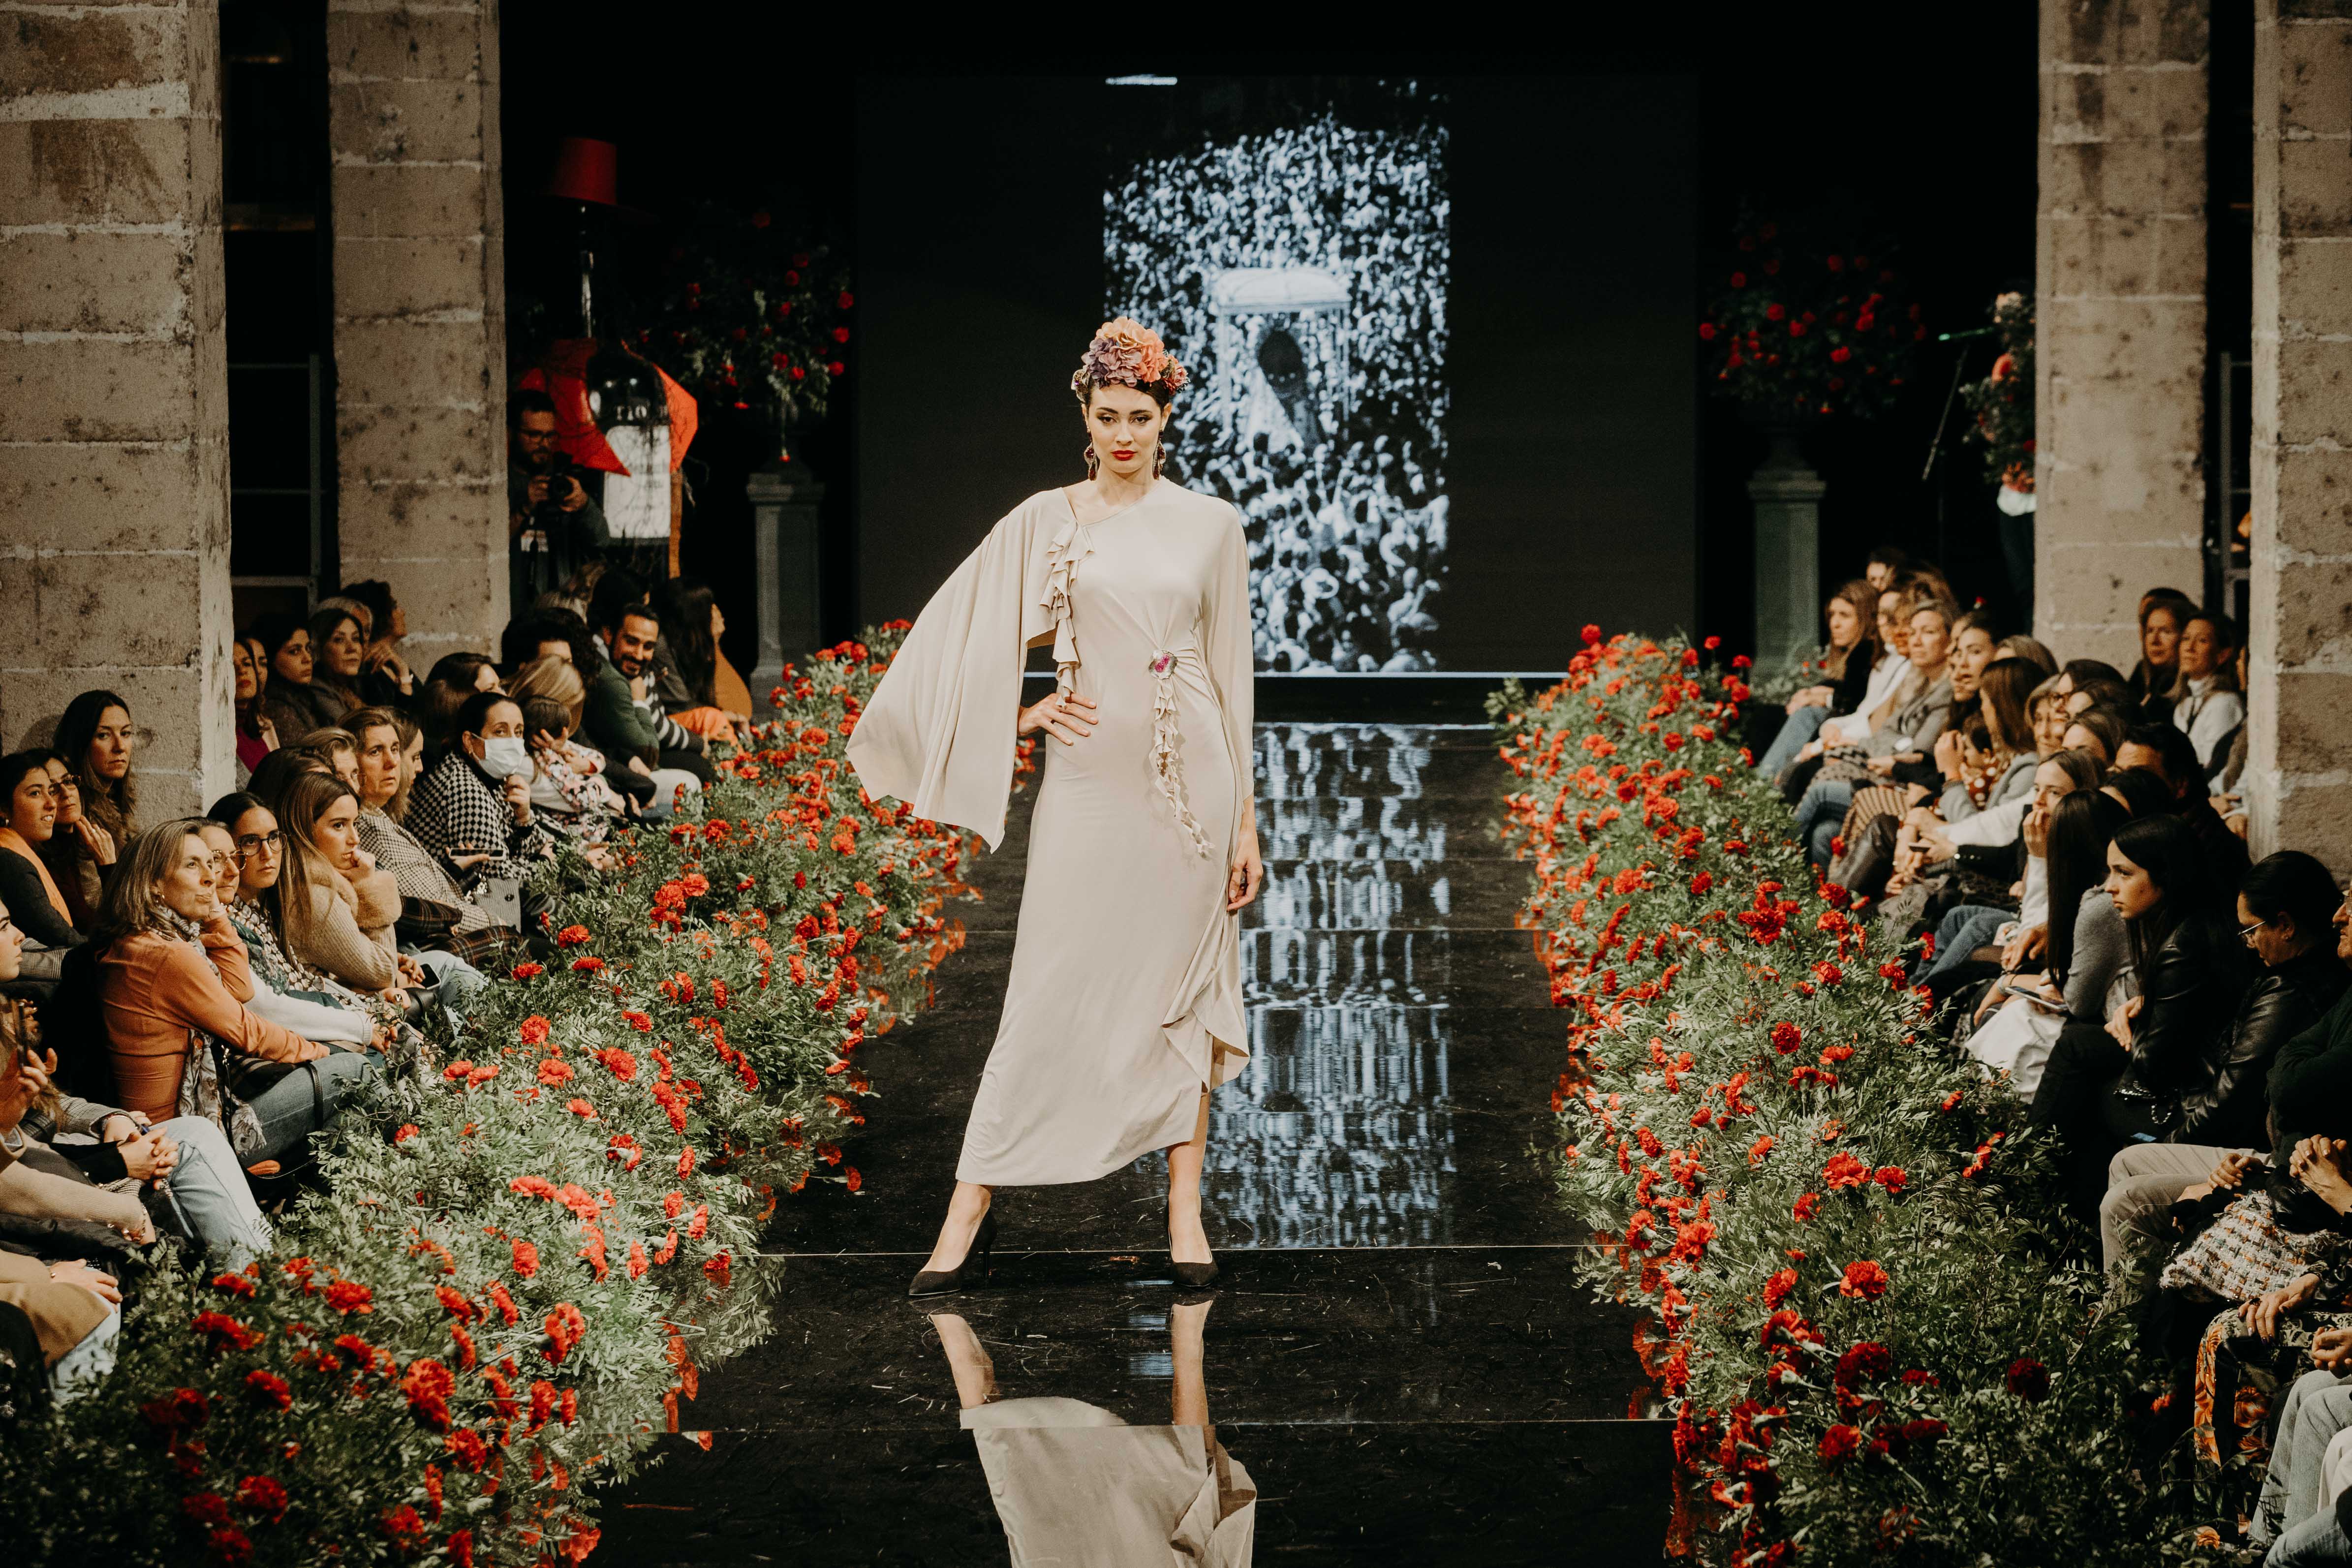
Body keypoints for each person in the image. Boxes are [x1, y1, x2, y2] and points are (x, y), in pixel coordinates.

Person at [848, 318, 1260, 1296]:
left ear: (1168, 418)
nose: (1124, 433)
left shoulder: (1211, 524)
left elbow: (1233, 677)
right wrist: (1024, 709)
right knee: (1043, 990)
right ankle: (967, 1210)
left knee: (1181, 994)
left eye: (1142, 416)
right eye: (1107, 414)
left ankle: (1182, 1211)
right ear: (1083, 413)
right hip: (1087, 783)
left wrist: (1245, 821)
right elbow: (961, 635)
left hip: (1189, 784)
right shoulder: (1049, 519)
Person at [2099, 854, 2352, 1278]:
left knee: (2124, 1198)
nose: (2339, 916)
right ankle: (2144, 1295)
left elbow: (2279, 1088)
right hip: (2277, 1159)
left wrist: (2199, 1163)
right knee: (2124, 1161)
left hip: (2288, 1177)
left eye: (2251, 930)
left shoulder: (2294, 990)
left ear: (2286, 925)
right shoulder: (2301, 976)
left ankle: (2129, 1327)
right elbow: (2280, 1069)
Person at [90, 819, 370, 1165]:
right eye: (193, 865)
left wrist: (214, 912)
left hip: (184, 1123)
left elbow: (239, 988)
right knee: (357, 1071)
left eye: (211, 863)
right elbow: (248, 1031)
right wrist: (323, 1052)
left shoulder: (160, 939)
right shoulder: (164, 954)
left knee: (353, 1089)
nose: (211, 876)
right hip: (174, 1139)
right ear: (153, 884)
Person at [2029, 813, 2251, 1220]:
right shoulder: (2196, 924)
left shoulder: (2184, 944)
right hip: (2194, 1078)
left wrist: (2131, 1028)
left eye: (2124, 873)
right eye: (2109, 871)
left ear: (2166, 875)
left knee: (2079, 1054)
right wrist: (2147, 1007)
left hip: (2194, 1100)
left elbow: (2155, 1065)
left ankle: (2030, 1184)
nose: (2109, 886)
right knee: (2079, 1049)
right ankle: (2047, 1199)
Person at [405, 690, 558, 894]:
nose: (513, 742)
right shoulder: (465, 791)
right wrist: (543, 863)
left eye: (519, 732)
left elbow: (507, 853)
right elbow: (502, 878)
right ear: (470, 741)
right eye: (500, 732)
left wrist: (523, 820)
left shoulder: (489, 773)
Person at [586, 581, 711, 799]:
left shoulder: (632, 672)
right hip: (613, 774)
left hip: (625, 762)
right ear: (608, 635)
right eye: (631, 642)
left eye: (648, 646)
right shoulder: (612, 680)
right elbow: (649, 752)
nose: (639, 654)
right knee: (694, 775)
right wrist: (639, 702)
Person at [1755, 579, 1879, 779]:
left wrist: (1818, 698)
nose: (1834, 624)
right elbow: (1842, 685)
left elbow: (1855, 698)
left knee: (1807, 715)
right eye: (1832, 615)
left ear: (1866, 618)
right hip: (1842, 726)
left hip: (1856, 732)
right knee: (1766, 715)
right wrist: (1812, 692)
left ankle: (1764, 783)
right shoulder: (1854, 653)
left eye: (1845, 616)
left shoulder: (1865, 651)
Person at [2117, 721, 2252, 895]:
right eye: (2118, 773)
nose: (2121, 784)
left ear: (2180, 785)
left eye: (2138, 775)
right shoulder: (2152, 830)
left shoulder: (2199, 852)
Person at [508, 387, 609, 609]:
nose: (544, 443)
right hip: (511, 605)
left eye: (550, 435)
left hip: (559, 608)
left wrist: (584, 505)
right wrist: (524, 509)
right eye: (534, 435)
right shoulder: (500, 484)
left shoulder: (566, 479)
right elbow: (486, 545)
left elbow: (601, 540)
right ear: (511, 433)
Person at [49, 691, 135, 921]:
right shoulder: (76, 814)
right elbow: (94, 907)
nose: (120, 747)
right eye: (104, 736)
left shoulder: (113, 801)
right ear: (82, 742)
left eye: (126, 733)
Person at [0, 751, 83, 951]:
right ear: (3, 808)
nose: (52, 803)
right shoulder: (11, 862)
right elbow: (66, 940)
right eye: (35, 793)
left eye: (50, 791)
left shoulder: (23, 854)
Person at [2172, 608, 2247, 780]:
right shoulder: (2185, 705)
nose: (2190, 648)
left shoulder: (2225, 703)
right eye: (2186, 639)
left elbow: (2216, 767)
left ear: (2222, 655)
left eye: (2202, 641)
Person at [250, 613, 349, 739]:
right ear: (271, 659)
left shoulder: (302, 695)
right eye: (295, 651)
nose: (308, 658)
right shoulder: (276, 706)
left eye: (308, 648)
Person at [338, 580, 417, 708]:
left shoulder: (392, 663)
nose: (403, 612)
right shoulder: (368, 670)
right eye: (395, 607)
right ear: (381, 614)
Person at [2129, 587, 2198, 719]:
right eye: (2150, 631)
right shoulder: (2144, 675)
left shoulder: (2194, 689)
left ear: (2185, 636)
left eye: (2166, 631)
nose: (2154, 641)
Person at [231, 635, 279, 779]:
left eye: (247, 664)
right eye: (232, 666)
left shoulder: (260, 725)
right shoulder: (225, 735)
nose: (242, 671)